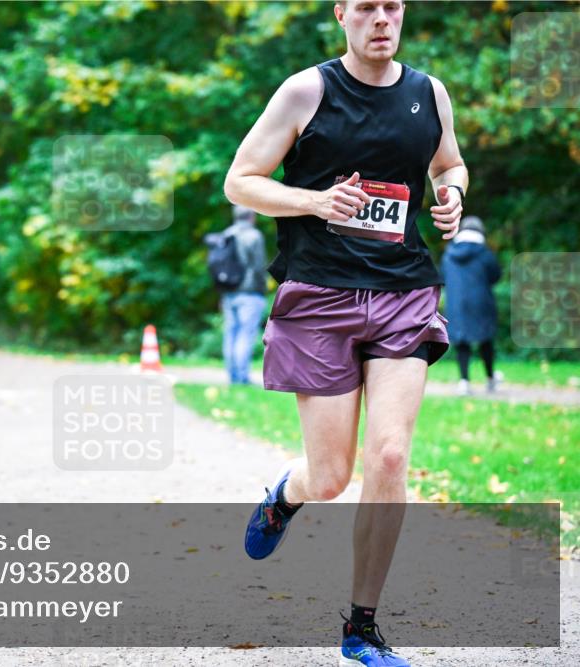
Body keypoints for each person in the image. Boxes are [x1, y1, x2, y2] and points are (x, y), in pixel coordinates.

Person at [223, 1, 466, 665]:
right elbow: (240, 182)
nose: (381, 19)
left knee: (388, 456)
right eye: (366, 7)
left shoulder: (429, 93)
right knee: (330, 476)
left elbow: (449, 164)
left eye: (392, 6)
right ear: (342, 15)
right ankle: (285, 496)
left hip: (403, 293)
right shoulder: (306, 91)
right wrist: (315, 201)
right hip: (320, 296)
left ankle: (361, 627)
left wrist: (452, 192)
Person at [440, 215, 501, 396]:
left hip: (456, 303)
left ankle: (464, 382)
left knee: (462, 341)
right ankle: (490, 379)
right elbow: (495, 276)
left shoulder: (449, 254)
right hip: (481, 302)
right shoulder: (484, 253)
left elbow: (442, 277)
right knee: (485, 339)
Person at [221, 205, 268, 385]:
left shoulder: (226, 234)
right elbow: (258, 267)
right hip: (249, 292)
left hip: (229, 292)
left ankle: (232, 375)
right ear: (251, 217)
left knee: (230, 333)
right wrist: (263, 289)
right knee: (245, 334)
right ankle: (242, 377)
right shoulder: (254, 236)